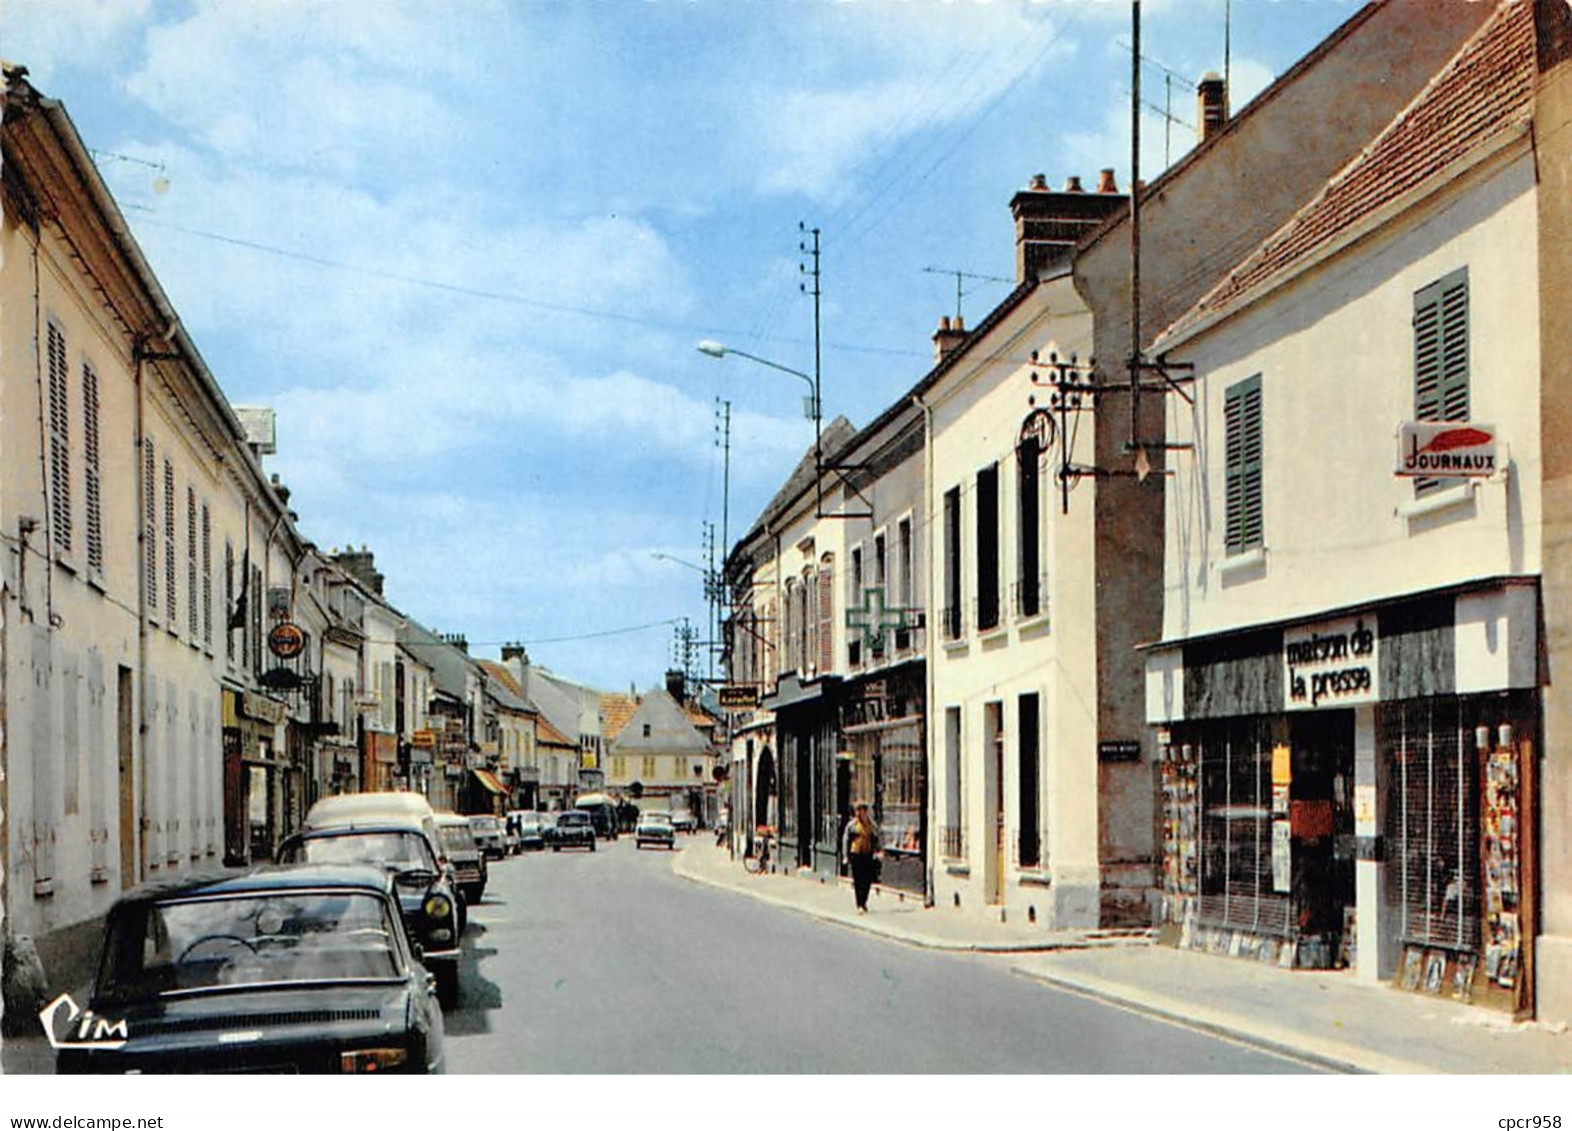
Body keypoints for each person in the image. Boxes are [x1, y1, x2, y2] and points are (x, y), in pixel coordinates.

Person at [840, 801, 881, 914]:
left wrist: (878, 851)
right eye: (857, 810)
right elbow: (846, 840)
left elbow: (876, 837)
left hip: (867, 854)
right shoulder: (852, 825)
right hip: (856, 854)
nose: (859, 813)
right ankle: (859, 904)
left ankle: (864, 901)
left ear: (865, 812)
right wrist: (845, 856)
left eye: (861, 810)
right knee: (858, 880)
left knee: (867, 880)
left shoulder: (871, 824)